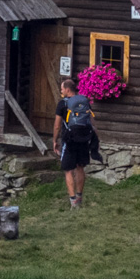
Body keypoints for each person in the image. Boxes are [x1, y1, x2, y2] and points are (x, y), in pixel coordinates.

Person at [51, 76, 97, 209]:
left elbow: (57, 125)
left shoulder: (63, 104)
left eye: (62, 89)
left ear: (67, 89)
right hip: (83, 139)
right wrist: (95, 138)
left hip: (69, 140)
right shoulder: (83, 101)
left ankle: (73, 202)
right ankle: (80, 197)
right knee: (80, 167)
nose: (61, 91)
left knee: (68, 170)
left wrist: (55, 140)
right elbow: (92, 121)